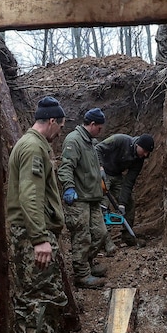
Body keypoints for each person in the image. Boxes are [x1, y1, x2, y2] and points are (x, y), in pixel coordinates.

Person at [5, 96, 71, 333]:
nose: (60, 131)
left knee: (29, 300)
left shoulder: (29, 144)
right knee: (41, 303)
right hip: (33, 236)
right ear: (53, 121)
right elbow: (30, 197)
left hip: (27, 234)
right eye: (61, 124)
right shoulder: (33, 147)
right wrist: (40, 239)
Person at [57, 107, 109, 289]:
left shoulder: (90, 142)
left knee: (100, 233)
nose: (100, 132)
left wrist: (101, 173)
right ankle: (81, 274)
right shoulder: (74, 140)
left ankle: (88, 263)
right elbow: (66, 167)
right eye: (99, 128)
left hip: (93, 196)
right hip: (79, 198)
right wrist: (69, 187)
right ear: (92, 124)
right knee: (82, 237)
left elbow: (94, 164)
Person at [95, 133, 155, 246]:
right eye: (145, 150)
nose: (145, 154)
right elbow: (97, 149)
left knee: (130, 203)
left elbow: (129, 182)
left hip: (117, 175)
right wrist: (100, 167)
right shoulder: (119, 140)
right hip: (102, 173)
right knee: (102, 206)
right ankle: (103, 241)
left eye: (148, 153)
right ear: (138, 145)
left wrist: (122, 203)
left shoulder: (139, 159)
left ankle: (128, 236)